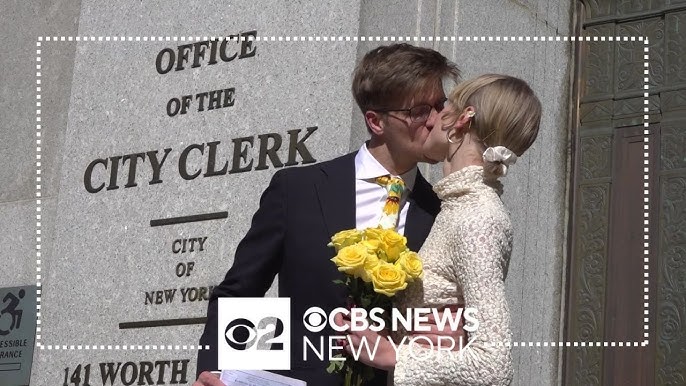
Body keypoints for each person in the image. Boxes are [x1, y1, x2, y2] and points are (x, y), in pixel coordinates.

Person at [193, 43, 462, 386]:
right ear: (376, 121)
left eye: (441, 105)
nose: (437, 120)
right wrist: (220, 371)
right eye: (420, 111)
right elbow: (245, 294)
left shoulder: (441, 211)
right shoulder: (299, 189)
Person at [342, 74, 542, 385]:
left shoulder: (478, 217)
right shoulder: (456, 206)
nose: (433, 118)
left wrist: (394, 355)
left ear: (462, 120)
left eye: (442, 107)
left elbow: (494, 367)